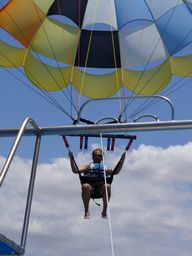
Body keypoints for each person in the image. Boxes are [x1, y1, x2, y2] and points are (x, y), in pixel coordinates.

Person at [69, 147, 126, 219]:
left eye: (99, 155)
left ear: (102, 157)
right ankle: (86, 211)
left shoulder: (105, 168)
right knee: (85, 186)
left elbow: (116, 172)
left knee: (107, 186)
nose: (97, 157)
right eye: (95, 155)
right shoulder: (88, 166)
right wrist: (71, 159)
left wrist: (122, 160)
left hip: (101, 190)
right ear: (92, 157)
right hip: (90, 190)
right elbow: (75, 170)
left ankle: (104, 211)